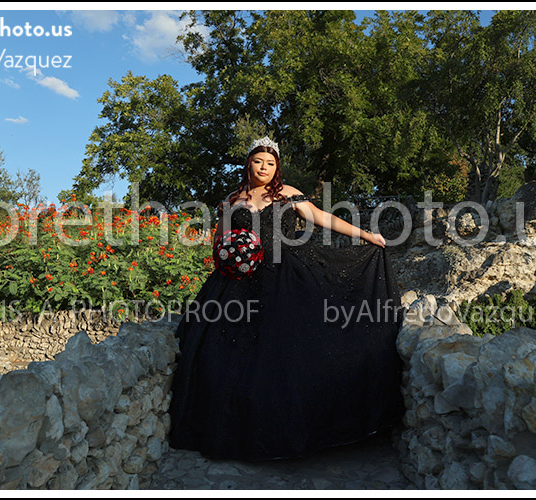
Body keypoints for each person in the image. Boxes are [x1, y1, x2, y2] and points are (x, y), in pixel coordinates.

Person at [168, 137, 404, 461]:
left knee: (291, 351)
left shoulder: (288, 194)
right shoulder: (233, 199)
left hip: (287, 276)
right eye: (258, 161)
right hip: (239, 280)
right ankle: (236, 430)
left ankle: (297, 429)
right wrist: (231, 256)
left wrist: (365, 235)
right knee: (223, 351)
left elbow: (324, 218)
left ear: (277, 167)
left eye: (270, 163)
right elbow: (220, 239)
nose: (263, 168)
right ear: (248, 163)